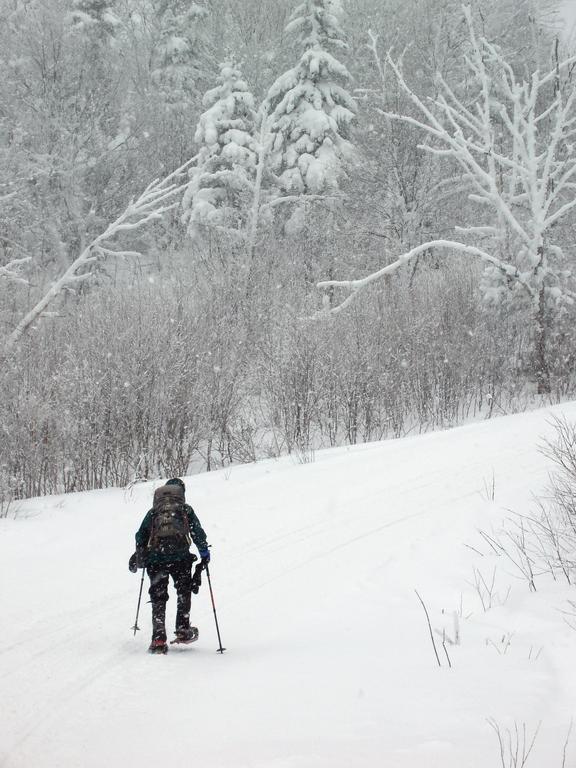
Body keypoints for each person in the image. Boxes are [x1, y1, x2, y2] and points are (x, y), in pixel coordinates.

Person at [129, 478, 210, 654]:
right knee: (183, 591)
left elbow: (140, 535)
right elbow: (197, 533)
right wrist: (204, 553)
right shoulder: (185, 510)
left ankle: (158, 639)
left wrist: (141, 553)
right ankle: (183, 629)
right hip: (181, 558)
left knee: (158, 598)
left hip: (156, 559)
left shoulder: (153, 512)